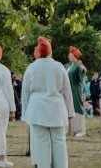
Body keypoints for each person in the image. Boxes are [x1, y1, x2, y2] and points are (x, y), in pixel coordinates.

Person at [21, 36, 74, 168]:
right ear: (50, 51)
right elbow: (67, 91)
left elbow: (25, 92)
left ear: (39, 52)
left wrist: (25, 113)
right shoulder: (59, 67)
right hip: (57, 109)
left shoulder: (31, 67)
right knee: (59, 142)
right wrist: (70, 112)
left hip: (37, 110)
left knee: (41, 144)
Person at [65, 47, 87, 137]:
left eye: (70, 55)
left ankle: (80, 129)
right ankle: (69, 130)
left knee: (77, 108)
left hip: (76, 90)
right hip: (68, 91)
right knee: (69, 108)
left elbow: (83, 72)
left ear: (75, 56)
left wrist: (84, 92)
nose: (68, 56)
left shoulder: (78, 65)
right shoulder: (68, 66)